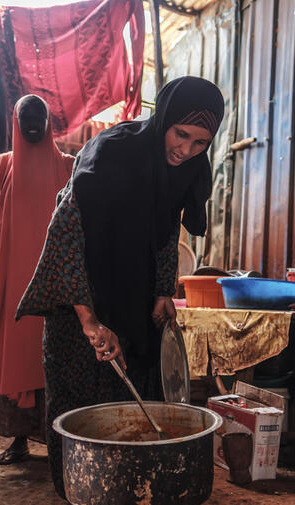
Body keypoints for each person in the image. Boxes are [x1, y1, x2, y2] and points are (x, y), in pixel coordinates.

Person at [15, 76, 224, 496]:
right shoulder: (112, 153)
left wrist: (163, 292)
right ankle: (76, 494)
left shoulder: (185, 171)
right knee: (81, 415)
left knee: (133, 410)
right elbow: (65, 235)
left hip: (134, 304)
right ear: (163, 119)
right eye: (180, 134)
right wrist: (89, 321)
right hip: (81, 299)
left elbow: (166, 233)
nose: (186, 150)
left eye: (200, 142)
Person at [0, 94, 74, 465]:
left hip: (55, 281)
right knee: (18, 354)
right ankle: (19, 439)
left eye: (37, 119)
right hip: (14, 280)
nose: (32, 126)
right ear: (16, 122)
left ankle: (61, 442)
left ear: (48, 122)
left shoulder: (70, 167)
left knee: (56, 357)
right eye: (25, 120)